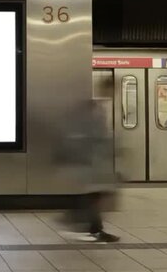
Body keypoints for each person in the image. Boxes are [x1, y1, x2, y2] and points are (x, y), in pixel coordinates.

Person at [58, 99, 120, 243]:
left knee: (93, 196)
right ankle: (93, 228)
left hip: (91, 169)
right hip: (90, 169)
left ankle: (84, 222)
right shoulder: (90, 128)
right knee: (94, 197)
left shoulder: (83, 127)